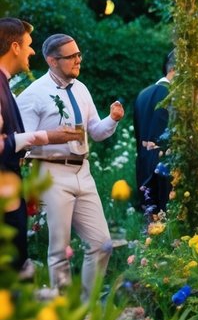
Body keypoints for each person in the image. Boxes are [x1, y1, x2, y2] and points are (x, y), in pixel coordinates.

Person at [17, 33, 124, 294]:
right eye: (71, 56)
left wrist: (112, 119)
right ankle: (62, 311)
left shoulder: (82, 88)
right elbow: (21, 142)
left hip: (83, 172)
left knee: (101, 243)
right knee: (59, 250)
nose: (78, 60)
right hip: (52, 173)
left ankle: (87, 309)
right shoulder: (33, 95)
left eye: (79, 54)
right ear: (52, 61)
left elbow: (95, 132)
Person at [0, 18, 78, 274]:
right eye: (29, 45)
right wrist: (46, 136)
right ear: (14, 47)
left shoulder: (6, 85)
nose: (32, 51)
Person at [133, 50, 175, 214]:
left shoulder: (142, 94)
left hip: (144, 164)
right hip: (166, 165)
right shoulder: (174, 95)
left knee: (152, 223)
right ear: (174, 69)